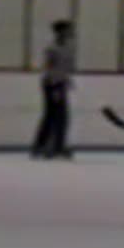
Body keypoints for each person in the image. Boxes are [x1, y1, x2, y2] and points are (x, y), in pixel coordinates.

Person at [30, 20, 76, 160]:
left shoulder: (68, 47)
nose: (71, 33)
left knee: (62, 117)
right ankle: (41, 146)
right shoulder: (52, 48)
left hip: (61, 83)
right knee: (52, 116)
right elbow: (48, 67)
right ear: (61, 32)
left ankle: (58, 146)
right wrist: (54, 86)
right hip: (52, 84)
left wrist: (66, 79)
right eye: (68, 30)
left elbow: (65, 67)